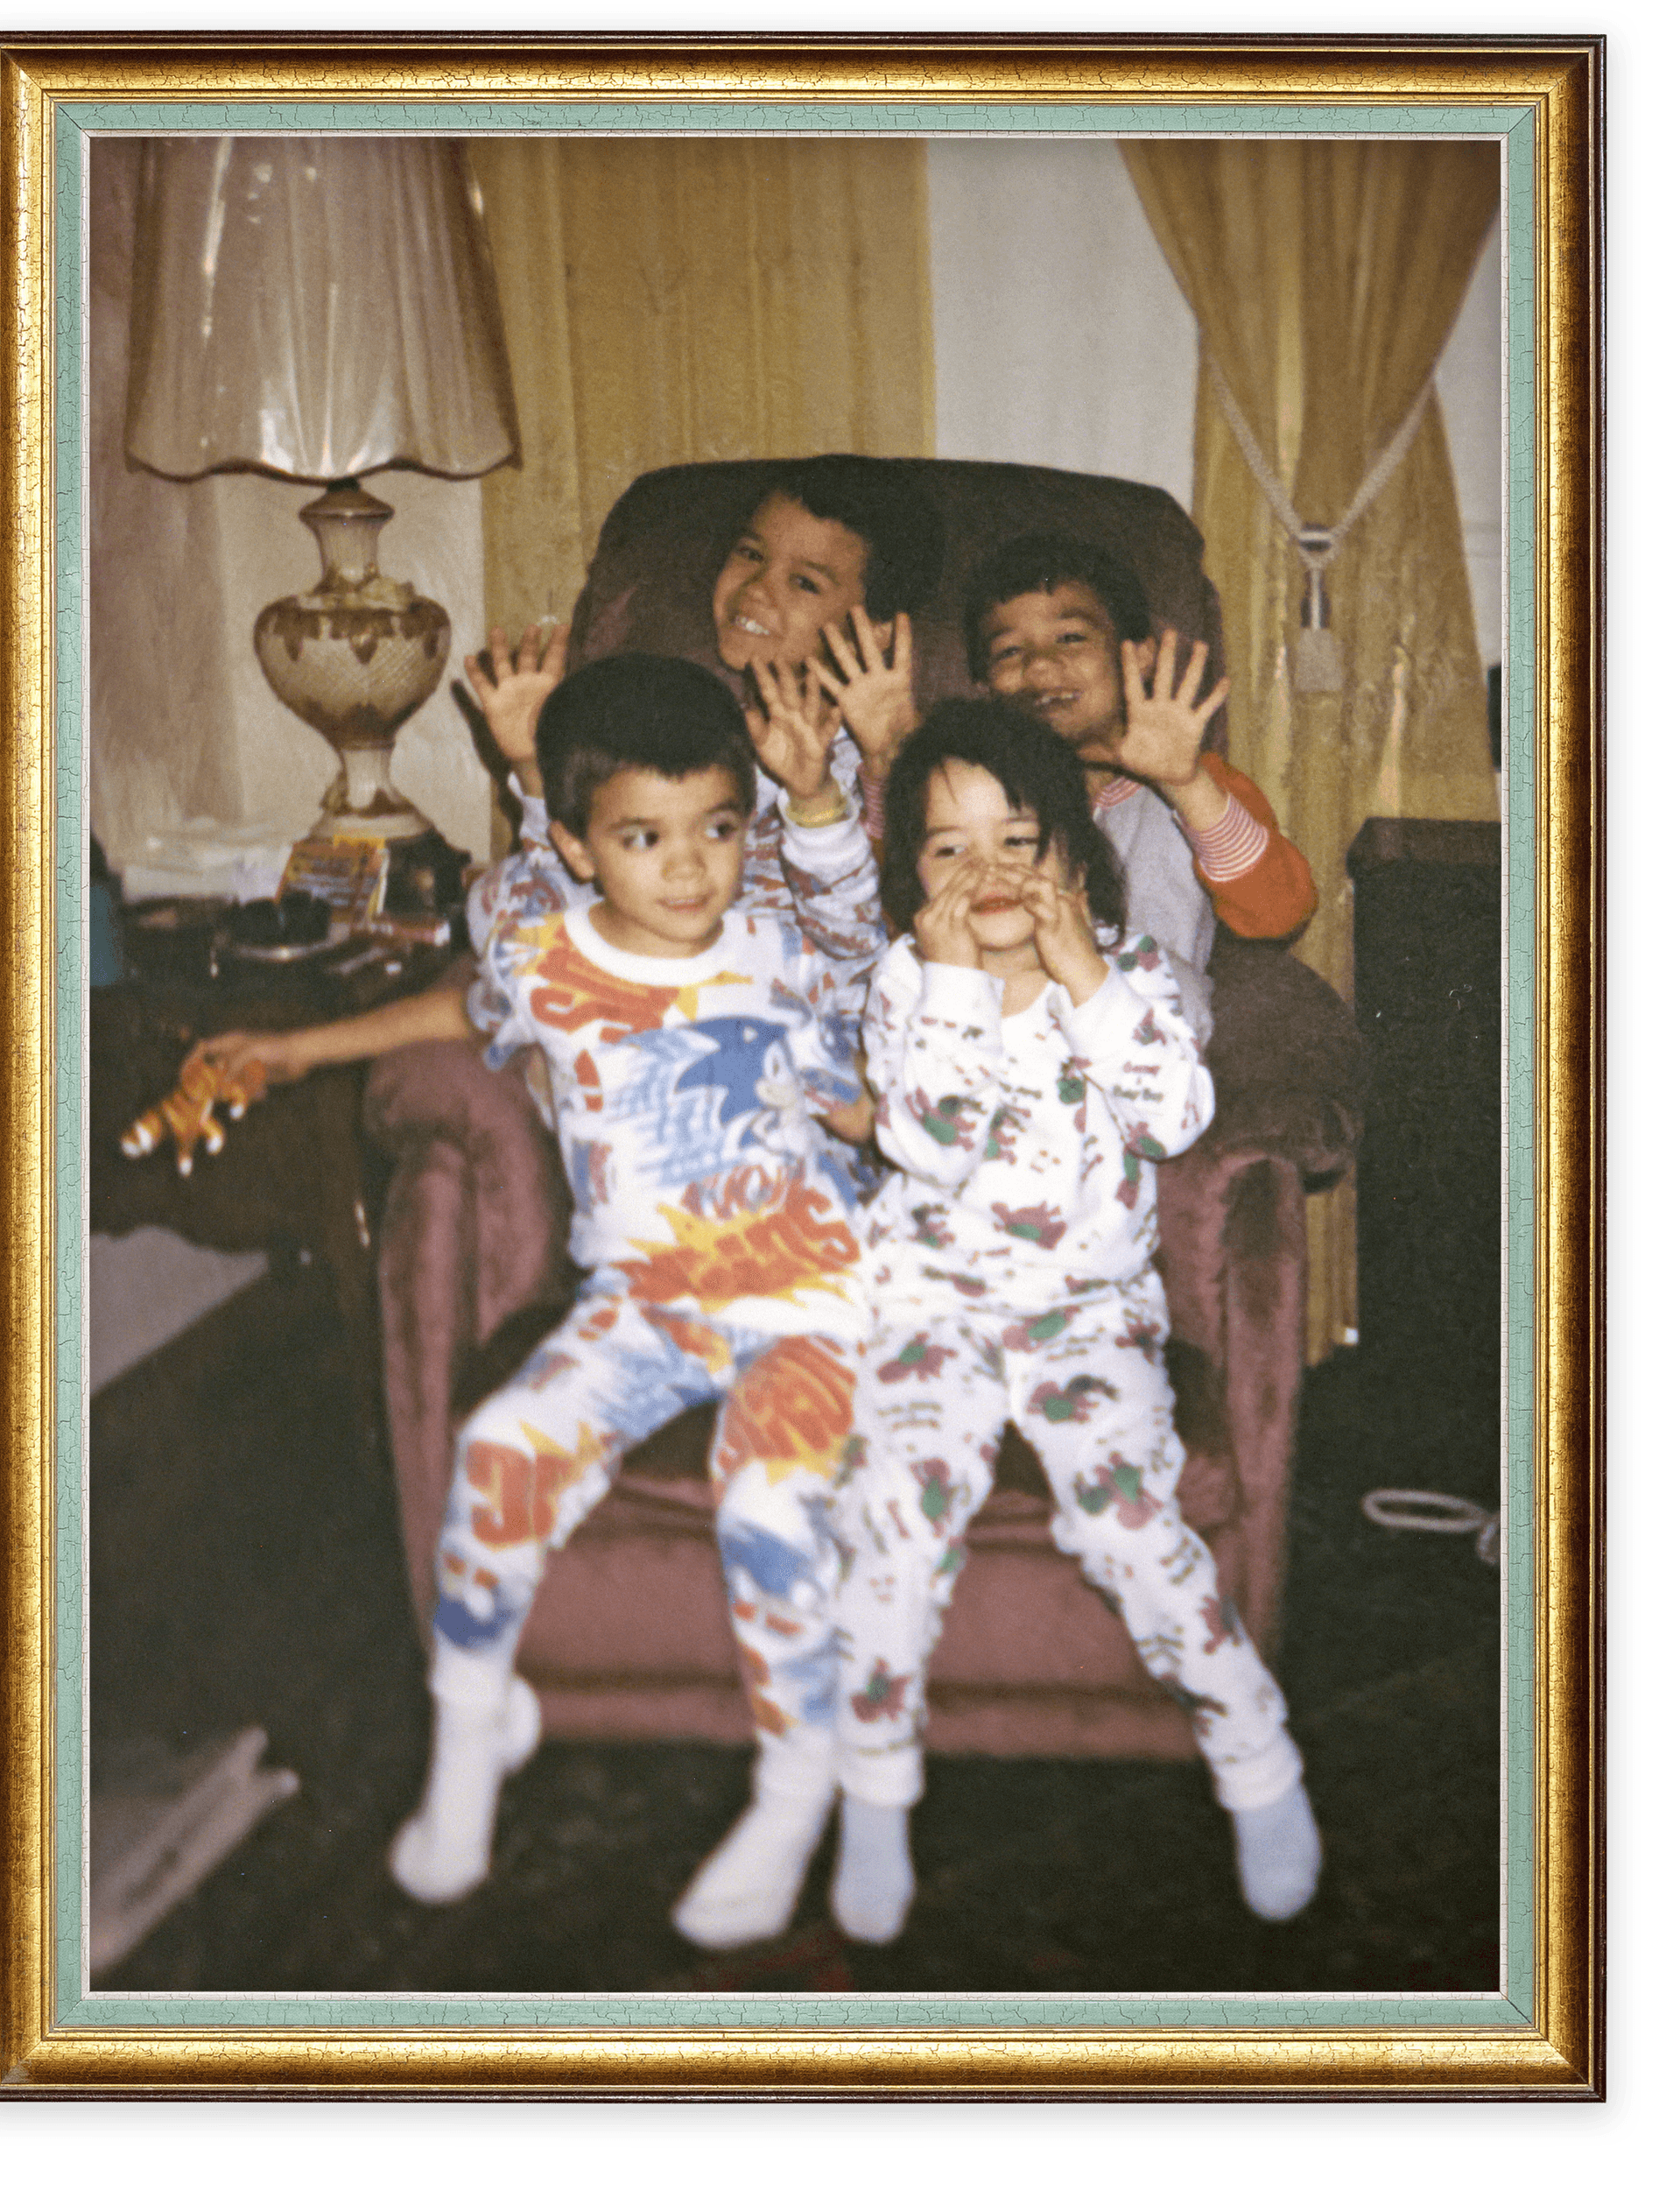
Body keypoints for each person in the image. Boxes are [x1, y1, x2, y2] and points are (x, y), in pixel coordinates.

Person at [200, 657, 882, 1928]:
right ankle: (472, 1744)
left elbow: (870, 1037)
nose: (690, 868)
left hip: (808, 1302)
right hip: (643, 1305)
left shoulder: (782, 951)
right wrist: (292, 1047)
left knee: (770, 1490)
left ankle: (799, 1783)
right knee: (505, 1445)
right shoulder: (547, 958)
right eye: (643, 837)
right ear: (576, 843)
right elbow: (459, 1006)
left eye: (718, 830)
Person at [823, 699, 1321, 1946]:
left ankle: (1254, 1752)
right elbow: (925, 1142)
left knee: (1125, 1515)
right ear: (910, 876)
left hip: (1086, 1318)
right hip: (931, 1308)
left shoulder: (1134, 974)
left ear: (1074, 861)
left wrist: (1089, 975)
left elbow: (1172, 1118)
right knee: (895, 1517)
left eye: (1018, 839)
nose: (987, 872)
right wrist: (944, 984)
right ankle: (875, 1792)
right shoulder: (904, 979)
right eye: (947, 848)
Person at [464, 454, 945, 911]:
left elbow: (899, 920)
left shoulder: (890, 757)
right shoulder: (677, 733)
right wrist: (532, 766)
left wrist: (890, 756)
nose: (756, 587)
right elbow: (572, 898)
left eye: (804, 583)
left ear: (877, 628)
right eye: (751, 553)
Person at [963, 532, 1318, 1041]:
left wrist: (1186, 782)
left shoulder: (1198, 785)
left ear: (1140, 657)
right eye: (1009, 651)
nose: (1038, 666)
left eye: (1071, 638)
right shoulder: (971, 790)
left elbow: (1281, 913)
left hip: (1141, 1049)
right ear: (983, 689)